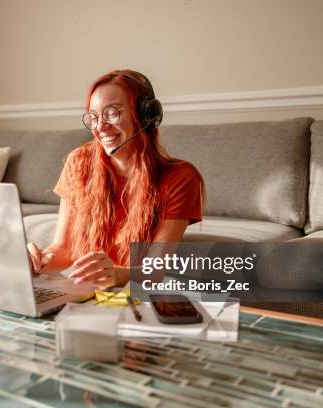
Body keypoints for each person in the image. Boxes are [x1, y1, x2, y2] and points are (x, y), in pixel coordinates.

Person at [27, 69, 205, 288]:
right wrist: (40, 261)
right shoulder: (78, 162)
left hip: (134, 296)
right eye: (93, 117)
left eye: (112, 113)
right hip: (86, 292)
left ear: (145, 115)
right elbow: (63, 249)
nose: (100, 127)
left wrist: (118, 274)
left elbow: (155, 270)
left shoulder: (181, 178)